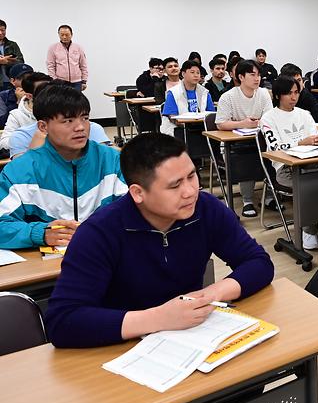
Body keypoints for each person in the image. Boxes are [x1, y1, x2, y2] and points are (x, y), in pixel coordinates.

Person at [44, 132, 274, 348]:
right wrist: (159, 318)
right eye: (175, 185)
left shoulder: (205, 209)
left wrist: (211, 295)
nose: (190, 191)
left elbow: (258, 263)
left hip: (191, 338)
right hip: (121, 347)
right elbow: (62, 321)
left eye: (192, 176)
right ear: (138, 193)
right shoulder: (99, 233)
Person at [0, 84, 127, 249]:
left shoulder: (112, 160)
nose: (80, 127)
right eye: (68, 121)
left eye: (85, 118)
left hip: (107, 256)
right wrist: (40, 233)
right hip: (48, 268)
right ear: (43, 127)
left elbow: (138, 209)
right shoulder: (20, 171)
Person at [261, 75, 318, 249]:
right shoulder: (268, 118)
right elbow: (275, 147)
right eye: (288, 93)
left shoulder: (304, 114)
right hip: (285, 168)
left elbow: (313, 138)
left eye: (296, 92)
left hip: (311, 162)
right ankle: (309, 229)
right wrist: (301, 142)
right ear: (277, 96)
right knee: (309, 186)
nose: (293, 97)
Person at [215, 59, 273, 217]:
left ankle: (269, 197)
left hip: (259, 140)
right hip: (235, 145)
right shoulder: (228, 97)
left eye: (259, 75)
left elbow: (269, 118)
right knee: (248, 158)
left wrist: (257, 124)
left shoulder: (263, 93)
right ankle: (247, 200)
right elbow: (220, 123)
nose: (257, 78)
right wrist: (243, 124)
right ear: (241, 77)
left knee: (274, 154)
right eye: (252, 74)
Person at [160, 60, 215, 137]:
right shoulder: (173, 92)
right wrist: (188, 125)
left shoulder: (205, 92)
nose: (196, 75)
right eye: (192, 72)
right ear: (183, 74)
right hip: (178, 128)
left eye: (198, 73)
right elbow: (171, 117)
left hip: (201, 127)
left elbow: (211, 114)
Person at [0, 72, 51, 151]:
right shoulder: (16, 115)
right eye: (42, 91)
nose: (49, 95)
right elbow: (4, 143)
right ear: (29, 96)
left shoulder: (59, 111)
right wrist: (32, 139)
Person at [46, 24, 89, 91]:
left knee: (76, 101)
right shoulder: (53, 48)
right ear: (58, 35)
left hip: (77, 82)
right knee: (61, 101)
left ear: (71, 34)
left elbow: (83, 65)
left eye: (67, 34)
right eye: (62, 35)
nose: (64, 37)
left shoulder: (78, 48)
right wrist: (54, 80)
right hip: (60, 82)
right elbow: (50, 66)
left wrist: (84, 81)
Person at [0, 63, 32, 128]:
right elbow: (2, 123)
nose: (27, 81)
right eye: (22, 78)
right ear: (12, 81)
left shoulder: (38, 93)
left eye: (30, 78)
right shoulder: (3, 96)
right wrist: (18, 101)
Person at [0, 18, 25, 90]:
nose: (0, 33)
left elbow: (21, 61)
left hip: (11, 82)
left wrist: (7, 62)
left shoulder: (13, 45)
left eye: (3, 30)